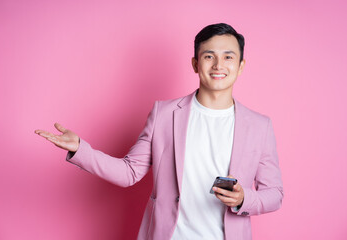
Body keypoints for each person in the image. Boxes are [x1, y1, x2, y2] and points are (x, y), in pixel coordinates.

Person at [35, 23, 283, 240]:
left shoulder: (260, 126)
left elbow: (274, 194)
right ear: (195, 64)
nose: (219, 64)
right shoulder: (164, 114)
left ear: (240, 66)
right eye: (209, 56)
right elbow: (130, 172)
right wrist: (81, 149)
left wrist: (243, 199)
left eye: (228, 57)